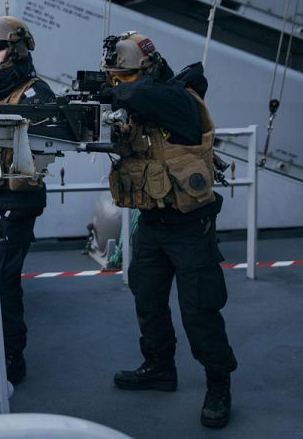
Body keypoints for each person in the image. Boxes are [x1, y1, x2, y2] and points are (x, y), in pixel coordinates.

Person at [101, 31, 237, 428]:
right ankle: (159, 368)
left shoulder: (177, 99)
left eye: (122, 78)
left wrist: (109, 92)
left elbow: (140, 96)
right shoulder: (142, 102)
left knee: (200, 310)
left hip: (190, 226)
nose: (117, 87)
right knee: (148, 298)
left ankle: (219, 384)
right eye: (113, 80)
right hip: (153, 223)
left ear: (147, 69)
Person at [0, 15, 55, 384]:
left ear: (17, 50)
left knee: (3, 280)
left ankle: (10, 359)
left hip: (16, 203)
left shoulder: (36, 93)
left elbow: (43, 142)